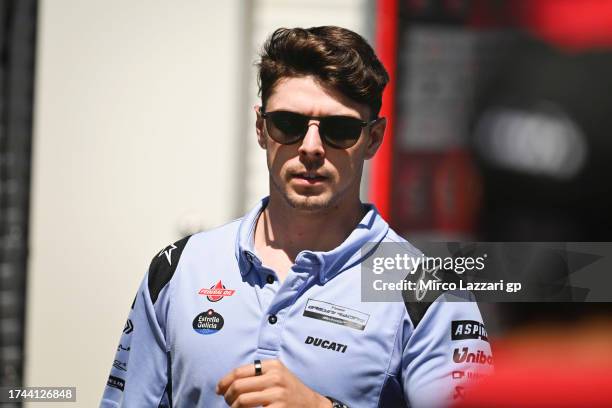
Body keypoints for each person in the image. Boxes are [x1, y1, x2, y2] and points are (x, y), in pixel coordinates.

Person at [100, 26, 491, 408]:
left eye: (339, 129)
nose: (311, 147)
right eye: (288, 124)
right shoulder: (178, 268)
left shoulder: (430, 289)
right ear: (261, 128)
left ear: (372, 139)